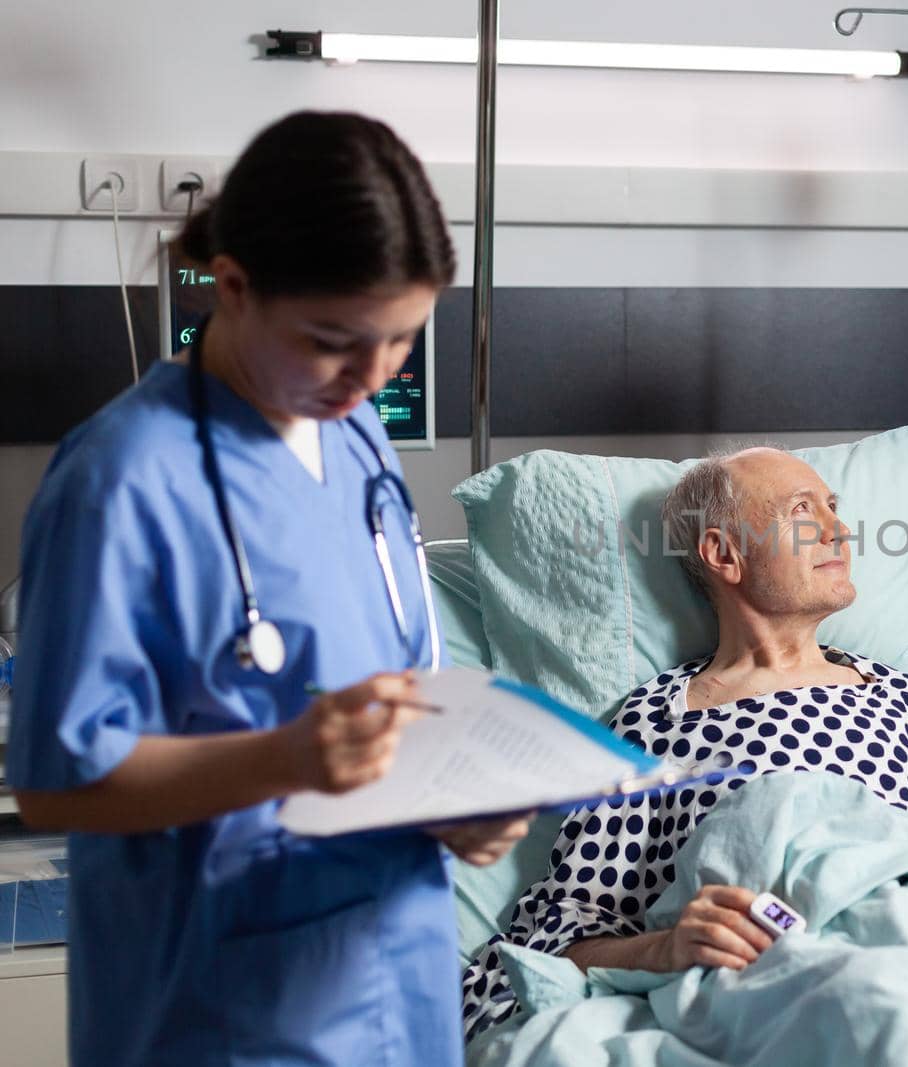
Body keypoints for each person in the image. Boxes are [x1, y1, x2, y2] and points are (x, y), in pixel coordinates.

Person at [7, 111, 528, 1065]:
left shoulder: (355, 433)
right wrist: (288, 756)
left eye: (402, 340)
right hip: (221, 999)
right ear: (232, 284)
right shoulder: (120, 480)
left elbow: (391, 689)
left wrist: (458, 802)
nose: (370, 377)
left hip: (397, 971)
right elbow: (54, 780)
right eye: (334, 340)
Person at [460, 446, 908, 1041]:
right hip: (783, 980)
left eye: (833, 506)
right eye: (804, 511)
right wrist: (665, 949)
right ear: (723, 554)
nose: (839, 531)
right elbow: (565, 934)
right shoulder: (658, 722)